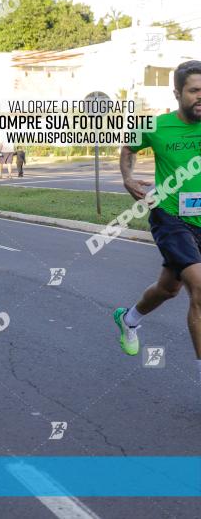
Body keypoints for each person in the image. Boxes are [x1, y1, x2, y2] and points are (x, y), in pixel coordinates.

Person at [114, 61, 201, 391]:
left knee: (169, 288)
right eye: (194, 91)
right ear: (177, 93)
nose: (200, 97)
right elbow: (128, 147)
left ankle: (129, 319)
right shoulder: (155, 125)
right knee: (199, 285)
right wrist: (126, 177)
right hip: (170, 216)